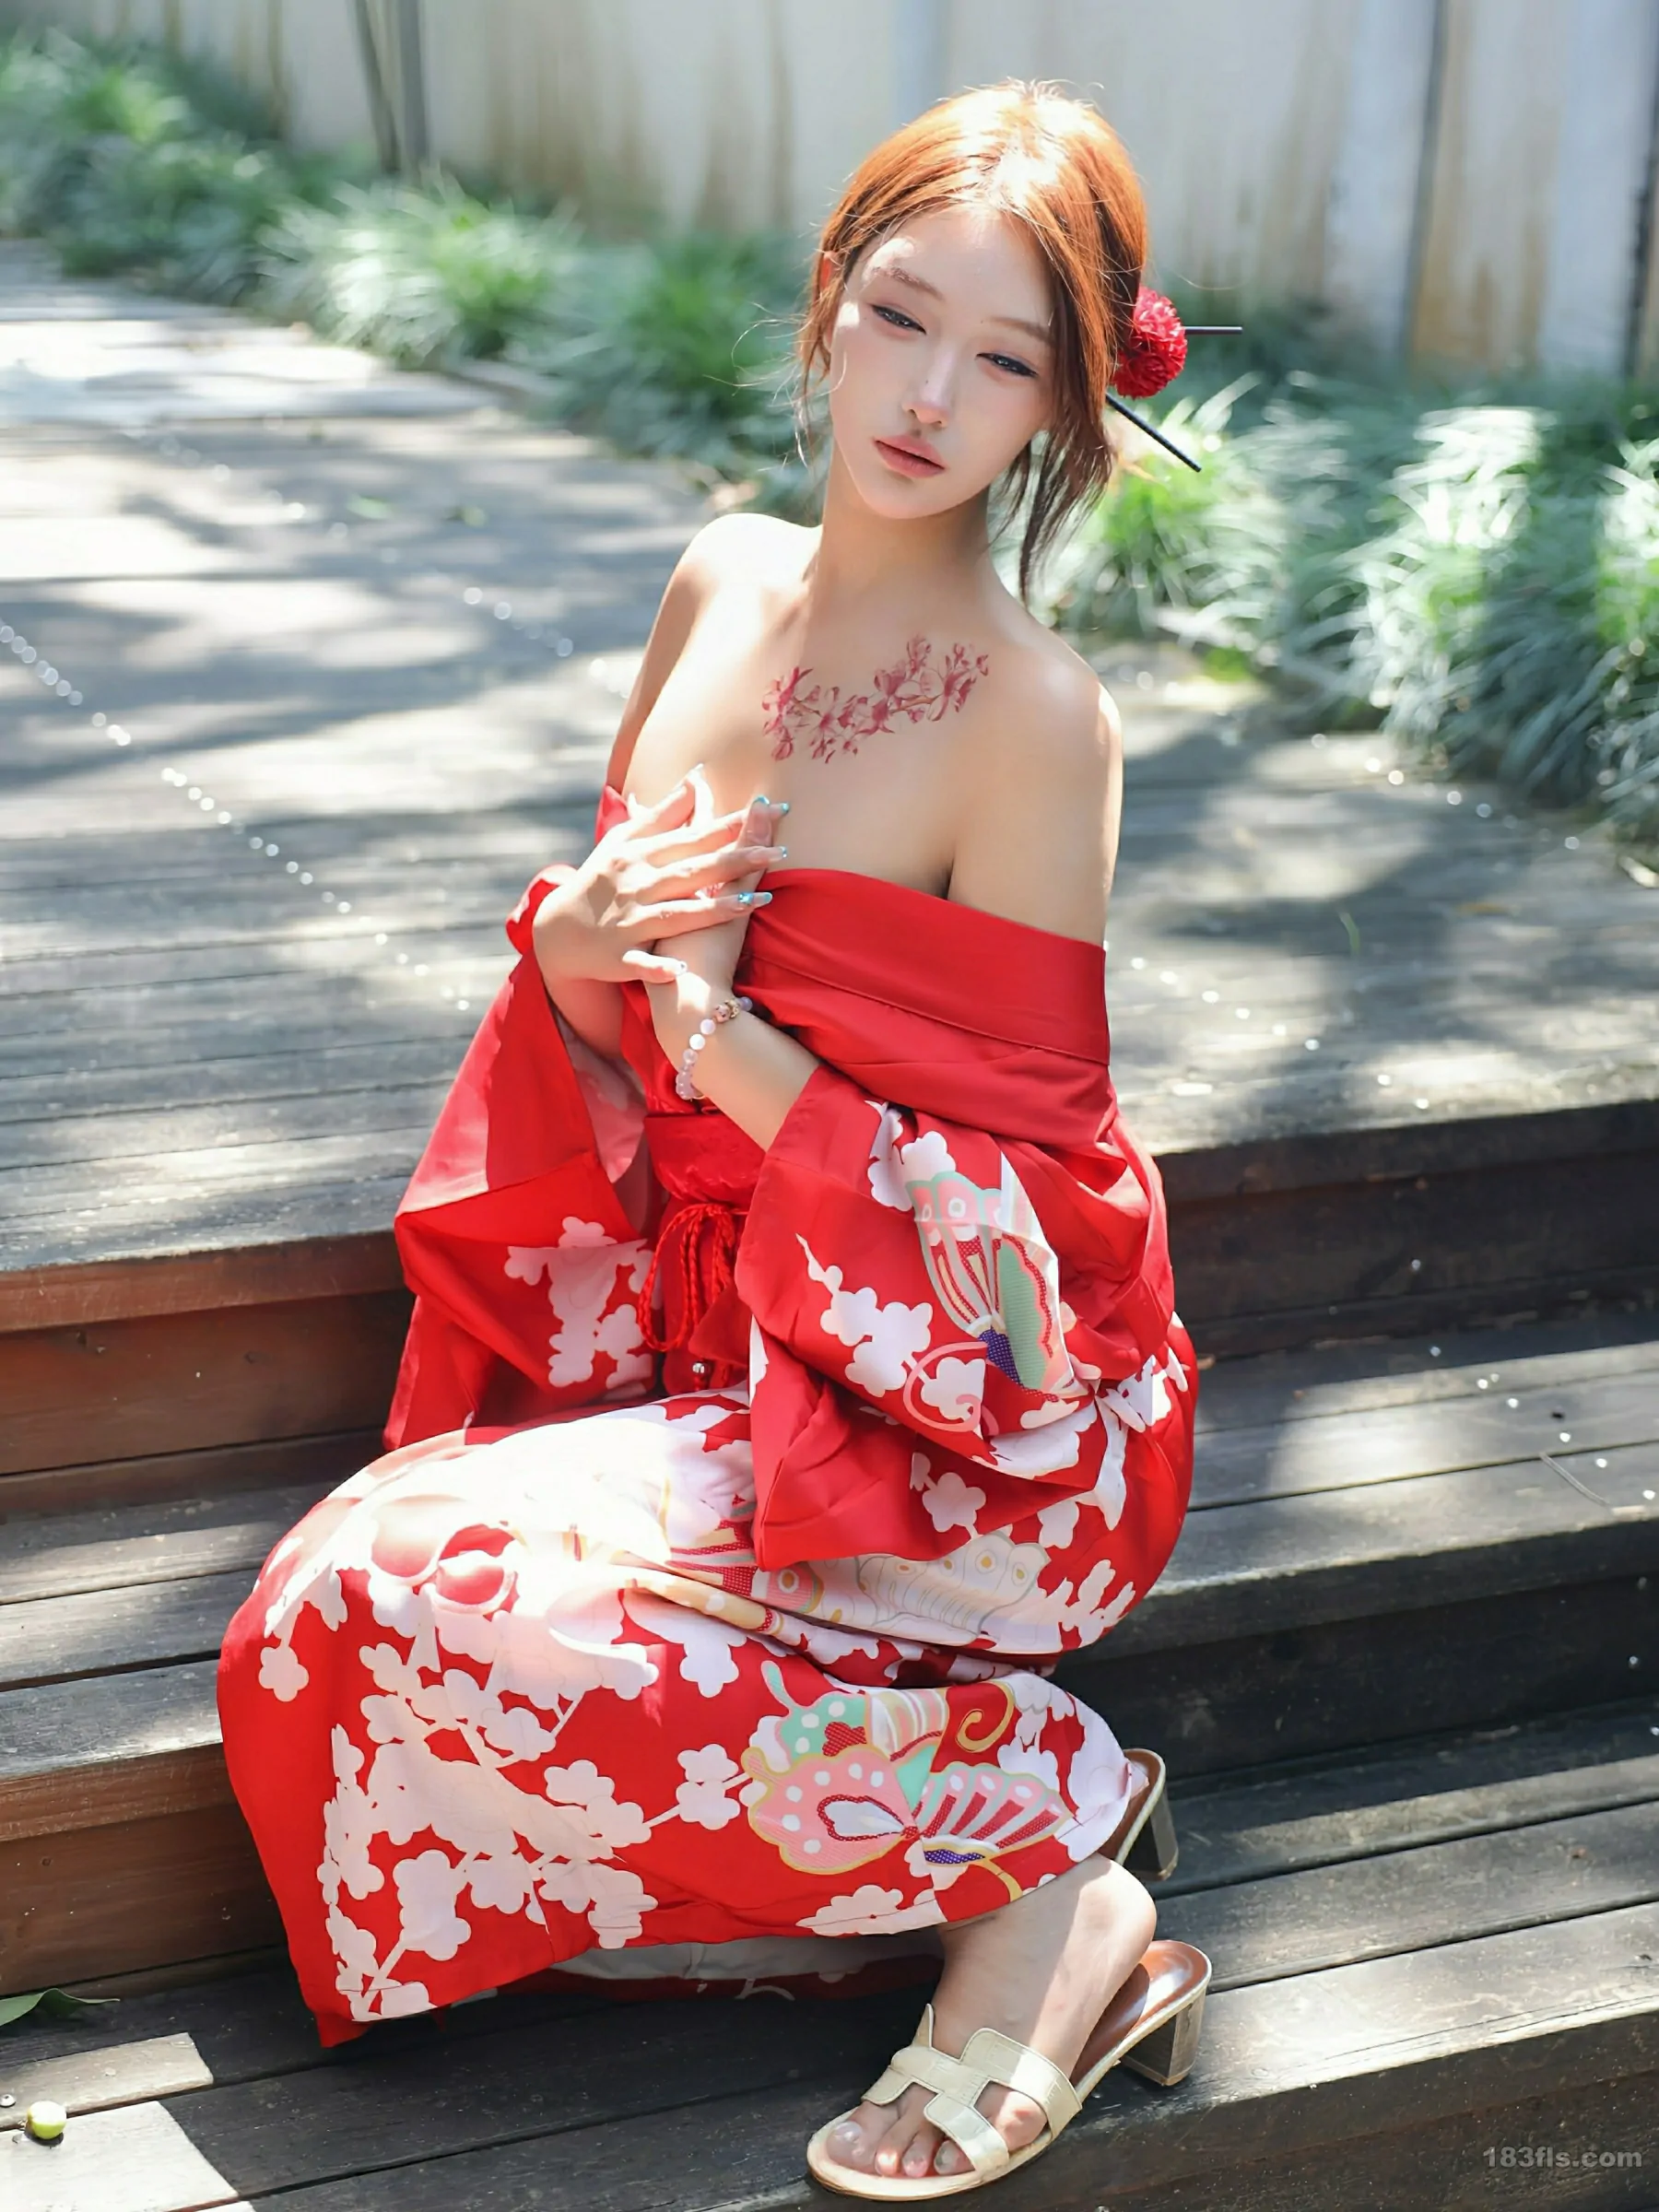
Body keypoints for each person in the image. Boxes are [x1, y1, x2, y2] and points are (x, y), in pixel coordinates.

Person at [218, 79, 1211, 2198]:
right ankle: (977, 1832)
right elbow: (599, 1001)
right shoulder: (722, 580)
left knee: (392, 1593)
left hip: (972, 1421)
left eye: (1005, 359)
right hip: (716, 1351)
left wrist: (742, 1058)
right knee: (331, 1632)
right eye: (900, 316)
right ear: (826, 301)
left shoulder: (1035, 718)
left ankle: (1048, 1858)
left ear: (1063, 407)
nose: (928, 396)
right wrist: (577, 951)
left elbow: (1039, 1253)